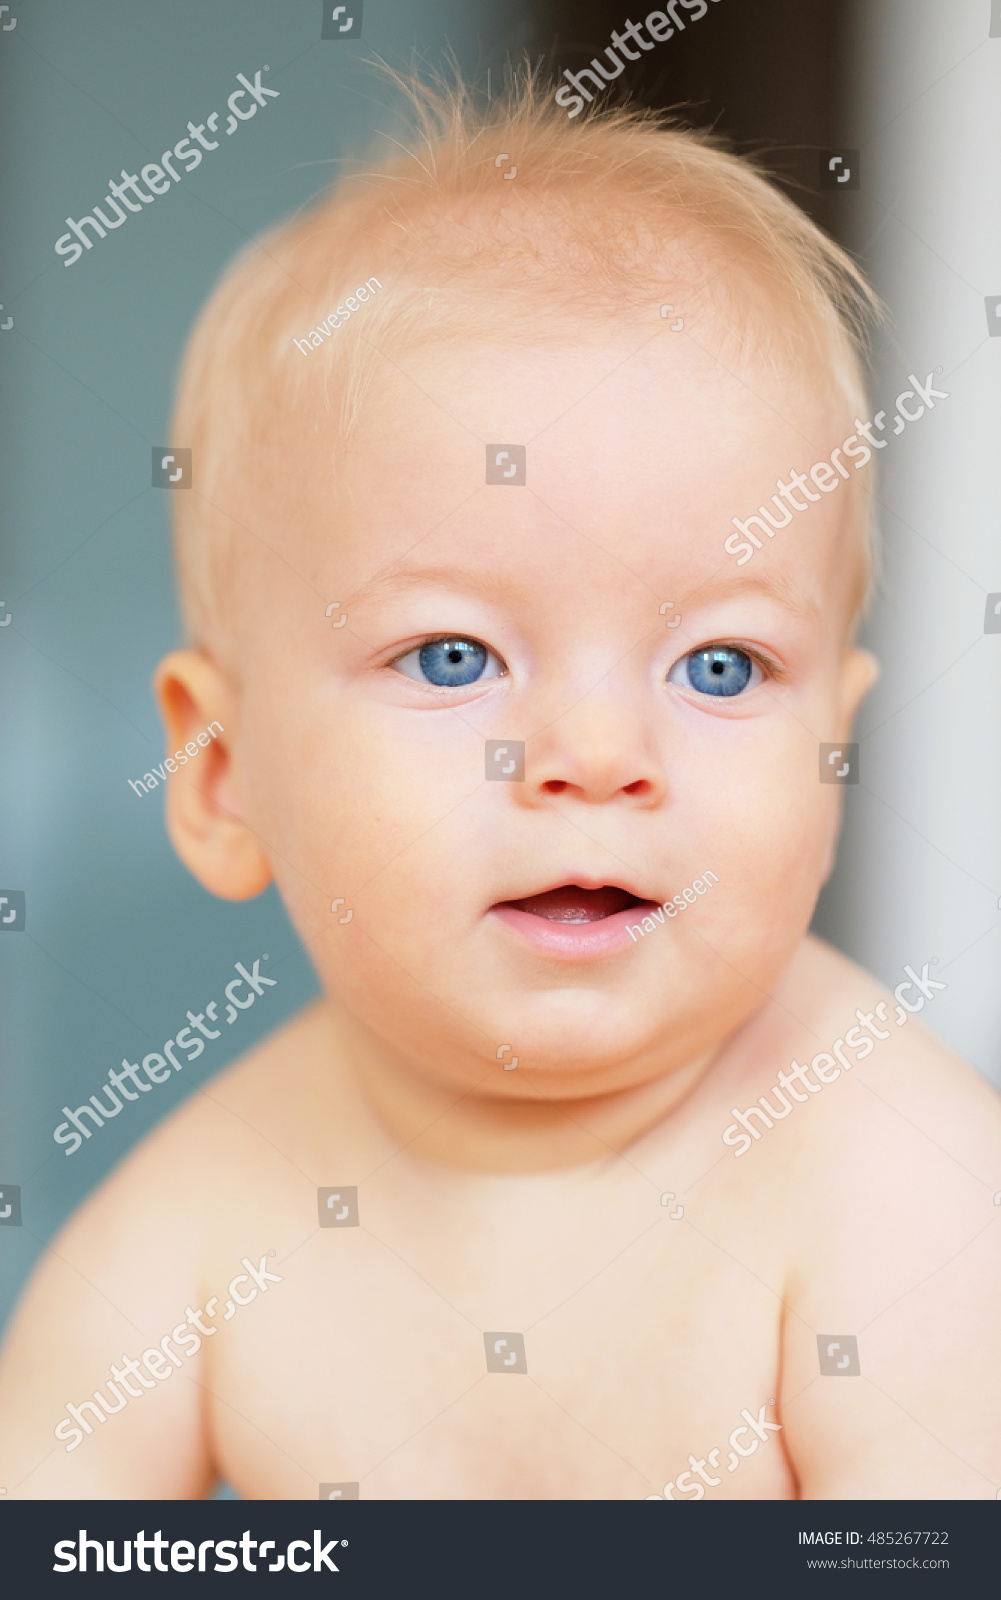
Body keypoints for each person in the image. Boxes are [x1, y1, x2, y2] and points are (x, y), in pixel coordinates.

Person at [2, 70, 998, 1501]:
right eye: (455, 655)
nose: (596, 760)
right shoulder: (199, 1223)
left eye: (717, 668)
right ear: (222, 778)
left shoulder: (903, 1201)